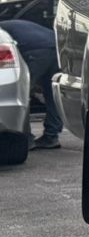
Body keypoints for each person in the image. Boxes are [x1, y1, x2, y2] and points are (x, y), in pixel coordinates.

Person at [0, 18, 63, 149]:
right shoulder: (12, 25)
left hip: (35, 51)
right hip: (55, 48)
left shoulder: (2, 32)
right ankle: (51, 136)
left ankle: (26, 139)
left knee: (21, 94)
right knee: (52, 95)